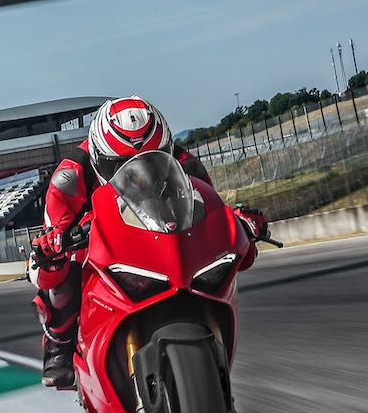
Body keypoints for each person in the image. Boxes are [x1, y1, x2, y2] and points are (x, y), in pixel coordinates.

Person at [29, 96, 268, 390]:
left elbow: (209, 211)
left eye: (153, 159)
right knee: (58, 272)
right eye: (120, 165)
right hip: (98, 240)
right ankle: (59, 345)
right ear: (99, 157)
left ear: (167, 149)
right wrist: (53, 245)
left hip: (162, 233)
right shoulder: (69, 178)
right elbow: (48, 248)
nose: (138, 175)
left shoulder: (186, 164)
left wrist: (239, 226)